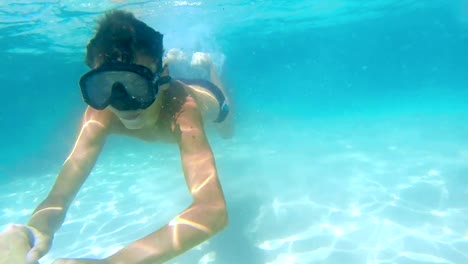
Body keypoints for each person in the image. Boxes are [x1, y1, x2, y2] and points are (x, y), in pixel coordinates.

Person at [0, 9, 233, 264]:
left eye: (136, 84)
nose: (122, 103)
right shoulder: (101, 112)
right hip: (162, 78)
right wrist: (34, 231)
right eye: (105, 85)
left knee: (227, 131)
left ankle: (211, 68)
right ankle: (167, 64)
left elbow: (213, 211)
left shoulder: (183, 112)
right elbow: (59, 195)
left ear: (161, 78)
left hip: (209, 99)